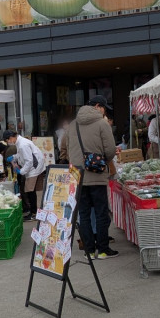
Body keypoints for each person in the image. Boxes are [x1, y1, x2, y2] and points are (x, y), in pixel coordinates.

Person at [60, 95, 118, 259]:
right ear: (98, 106)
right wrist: (102, 162)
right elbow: (111, 149)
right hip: (97, 176)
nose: (104, 112)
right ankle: (104, 249)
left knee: (84, 214)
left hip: (78, 176)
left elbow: (67, 148)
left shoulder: (72, 125)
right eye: (104, 108)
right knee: (101, 213)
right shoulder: (102, 123)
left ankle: (89, 251)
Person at [3, 128, 46, 221]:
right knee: (30, 190)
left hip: (34, 168)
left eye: (8, 140)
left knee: (30, 190)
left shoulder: (22, 144)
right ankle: (33, 212)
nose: (8, 143)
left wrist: (21, 171)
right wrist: (14, 157)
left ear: (11, 137)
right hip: (33, 167)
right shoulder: (19, 143)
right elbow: (21, 155)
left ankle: (34, 213)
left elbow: (29, 161)